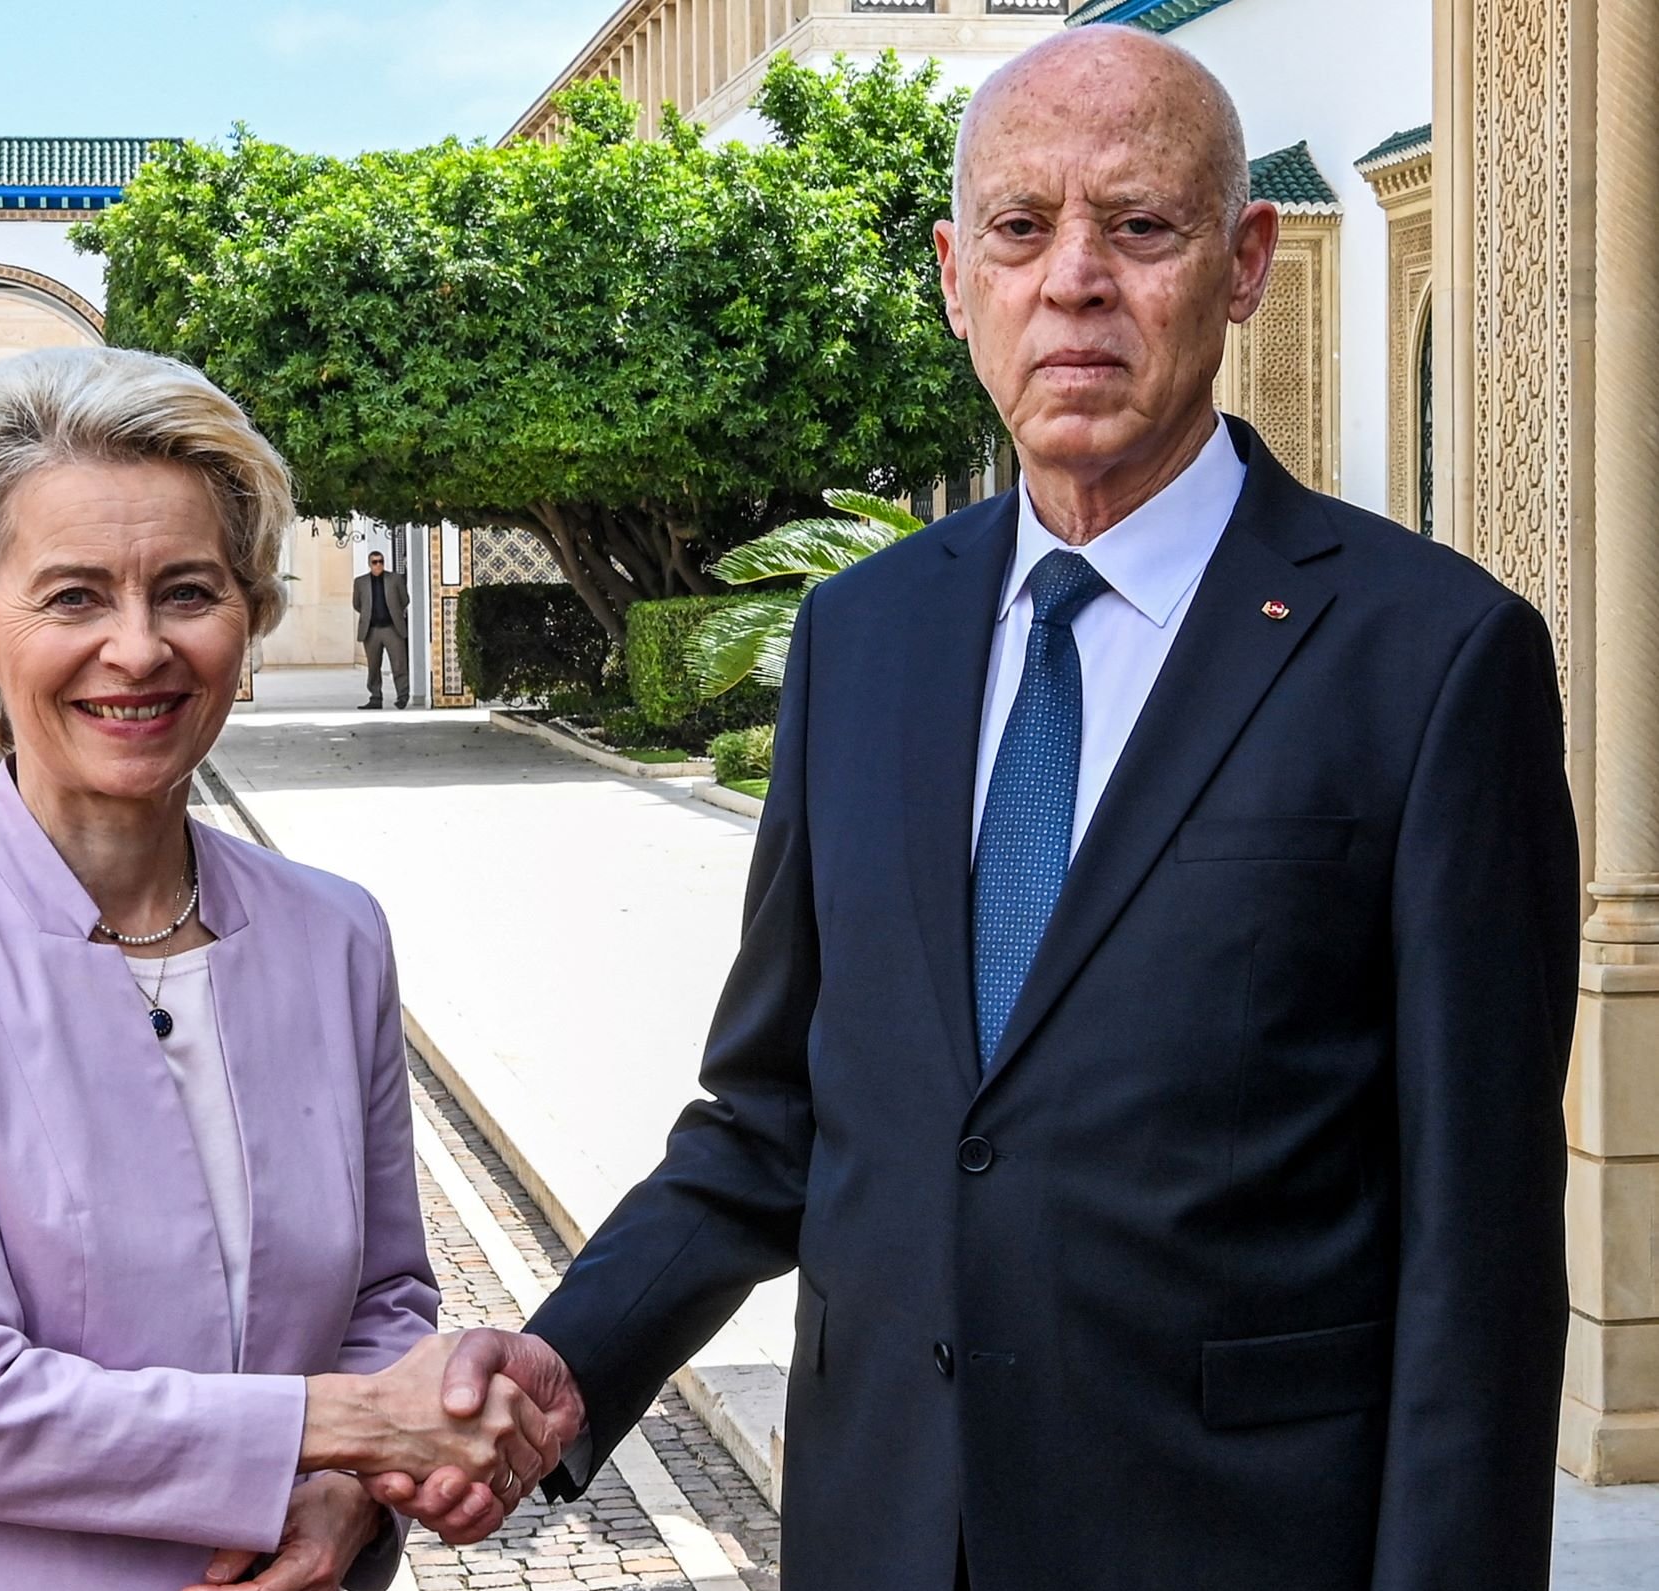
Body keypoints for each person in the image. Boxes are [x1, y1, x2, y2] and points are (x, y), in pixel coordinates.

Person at [386, 27, 1581, 1591]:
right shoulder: (862, 635)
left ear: (1245, 260)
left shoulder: (1434, 657)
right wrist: (568, 1361)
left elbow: (1477, 1256)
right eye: (1021, 229)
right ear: (959, 277)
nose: (1073, 278)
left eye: (1140, 225)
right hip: (886, 1526)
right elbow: (773, 1118)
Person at [0, 346, 553, 1589]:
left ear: (248, 612)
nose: (137, 650)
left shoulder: (333, 935)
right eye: (73, 596)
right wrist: (352, 1425)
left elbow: (385, 1293)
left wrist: (350, 1496)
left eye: (186, 591)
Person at [353, 550, 408, 709]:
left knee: (399, 663)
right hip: (371, 630)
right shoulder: (360, 582)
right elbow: (356, 604)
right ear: (370, 564)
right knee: (373, 665)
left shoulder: (395, 579)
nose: (378, 565)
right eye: (375, 562)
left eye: (381, 561)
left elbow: (404, 599)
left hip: (392, 628)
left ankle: (402, 696)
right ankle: (375, 697)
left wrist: (395, 613)